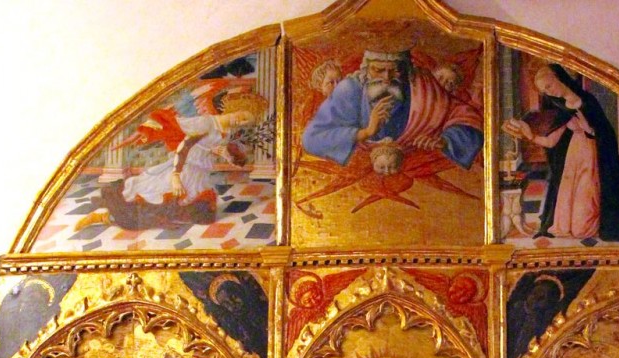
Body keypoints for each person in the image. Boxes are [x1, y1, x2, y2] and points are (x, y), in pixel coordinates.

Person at [75, 92, 266, 231]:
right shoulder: (206, 123)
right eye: (241, 117)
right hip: (183, 169)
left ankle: (108, 212)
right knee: (151, 197)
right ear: (233, 109)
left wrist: (227, 155)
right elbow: (184, 147)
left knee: (198, 214)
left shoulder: (226, 132)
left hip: (199, 174)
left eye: (245, 123)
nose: (240, 122)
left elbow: (212, 149)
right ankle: (104, 216)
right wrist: (175, 177)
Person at [503, 64, 619, 241]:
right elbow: (551, 141)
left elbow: (603, 133)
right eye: (544, 91)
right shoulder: (560, 107)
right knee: (564, 224)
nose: (549, 92)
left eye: (549, 86)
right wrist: (528, 134)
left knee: (582, 228)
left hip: (592, 160)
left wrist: (588, 128)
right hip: (573, 159)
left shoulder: (587, 101)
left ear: (559, 78)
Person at [302, 48, 483, 170]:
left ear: (407, 70)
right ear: (366, 70)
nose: (387, 78)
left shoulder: (425, 87)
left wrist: (445, 140)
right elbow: (312, 139)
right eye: (378, 70)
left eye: (394, 71)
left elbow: (466, 118)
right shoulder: (350, 89)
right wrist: (366, 132)